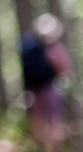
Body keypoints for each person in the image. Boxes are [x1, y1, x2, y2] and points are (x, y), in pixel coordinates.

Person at [22, 13, 72, 152]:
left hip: (33, 91)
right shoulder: (55, 48)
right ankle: (51, 148)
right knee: (54, 122)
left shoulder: (30, 47)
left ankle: (40, 147)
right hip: (51, 89)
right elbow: (65, 69)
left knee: (38, 122)